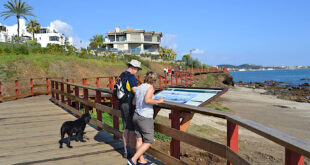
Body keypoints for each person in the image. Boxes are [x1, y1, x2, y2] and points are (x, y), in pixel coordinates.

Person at [128, 71, 164, 165]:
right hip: (145, 117)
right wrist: (158, 101)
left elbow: (134, 103)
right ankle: (133, 160)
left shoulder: (139, 87)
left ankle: (142, 160)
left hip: (136, 115)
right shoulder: (150, 87)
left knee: (139, 139)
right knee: (149, 141)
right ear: (154, 79)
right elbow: (147, 100)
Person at [119, 59, 141, 158]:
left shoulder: (122, 75)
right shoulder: (131, 77)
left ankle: (125, 151)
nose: (137, 72)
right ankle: (132, 152)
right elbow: (135, 90)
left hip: (122, 103)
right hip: (129, 104)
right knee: (131, 129)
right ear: (133, 68)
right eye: (137, 69)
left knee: (126, 127)